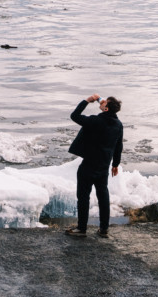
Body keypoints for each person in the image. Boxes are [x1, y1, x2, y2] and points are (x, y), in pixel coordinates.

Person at [65, 93, 123, 238]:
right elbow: (119, 146)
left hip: (89, 164)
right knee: (103, 196)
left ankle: (82, 229)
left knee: (83, 196)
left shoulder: (95, 121)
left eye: (105, 102)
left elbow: (75, 116)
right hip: (104, 165)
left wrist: (87, 100)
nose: (102, 102)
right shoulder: (118, 125)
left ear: (106, 109)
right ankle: (103, 229)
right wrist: (115, 164)